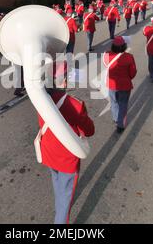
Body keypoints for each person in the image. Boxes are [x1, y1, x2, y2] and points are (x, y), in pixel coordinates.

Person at [37, 79, 95, 224]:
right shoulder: (75, 104)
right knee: (66, 194)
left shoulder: (40, 100)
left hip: (49, 151)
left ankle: (59, 202)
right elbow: (89, 130)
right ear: (62, 82)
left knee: (56, 182)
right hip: (67, 157)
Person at [103, 36, 137, 133]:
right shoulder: (129, 57)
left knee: (114, 102)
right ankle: (120, 124)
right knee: (123, 104)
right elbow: (132, 73)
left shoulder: (106, 55)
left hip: (112, 84)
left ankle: (116, 118)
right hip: (125, 85)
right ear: (124, 46)